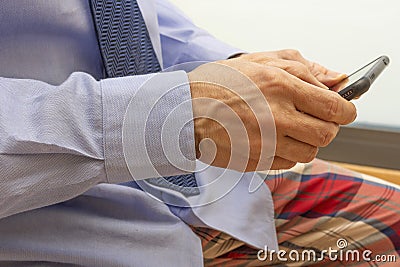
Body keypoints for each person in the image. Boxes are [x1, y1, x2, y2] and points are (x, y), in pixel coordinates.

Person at [0, 0, 398, 266]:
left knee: (392, 217)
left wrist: (233, 68)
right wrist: (177, 112)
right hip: (61, 229)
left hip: (204, 181)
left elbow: (118, 14)